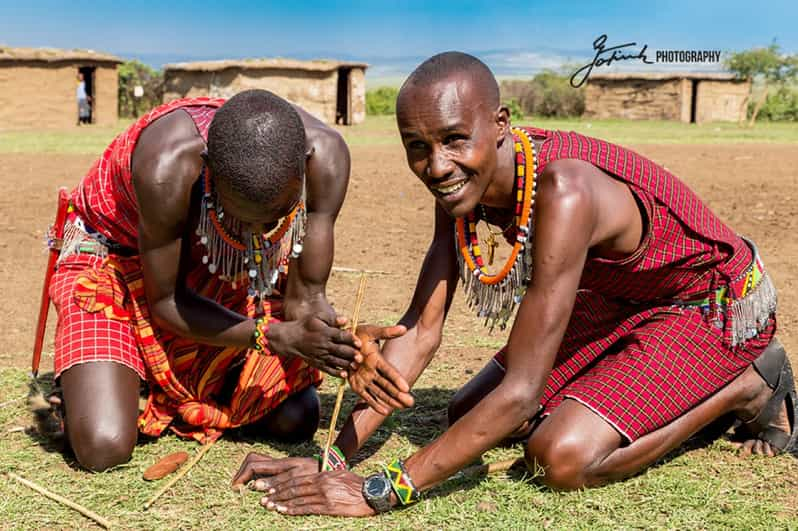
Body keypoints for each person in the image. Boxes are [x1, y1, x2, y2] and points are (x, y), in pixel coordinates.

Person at [232, 52, 796, 517]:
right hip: (627, 300)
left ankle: (745, 386)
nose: (436, 166)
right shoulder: (459, 193)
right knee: (468, 412)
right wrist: (335, 458)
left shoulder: (564, 190)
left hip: (710, 304)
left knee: (559, 456)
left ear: (500, 125)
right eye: (418, 147)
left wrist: (382, 490)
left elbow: (523, 390)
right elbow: (420, 331)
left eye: (455, 139)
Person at [39, 89, 412, 472]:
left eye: (275, 220)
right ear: (208, 169)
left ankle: (156, 385)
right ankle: (109, 384)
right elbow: (166, 302)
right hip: (112, 263)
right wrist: (273, 336)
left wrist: (343, 346)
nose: (257, 234)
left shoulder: (327, 159)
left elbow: (306, 300)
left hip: (216, 263)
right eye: (241, 215)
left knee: (296, 419)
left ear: (303, 167)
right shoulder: (166, 167)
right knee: (104, 445)